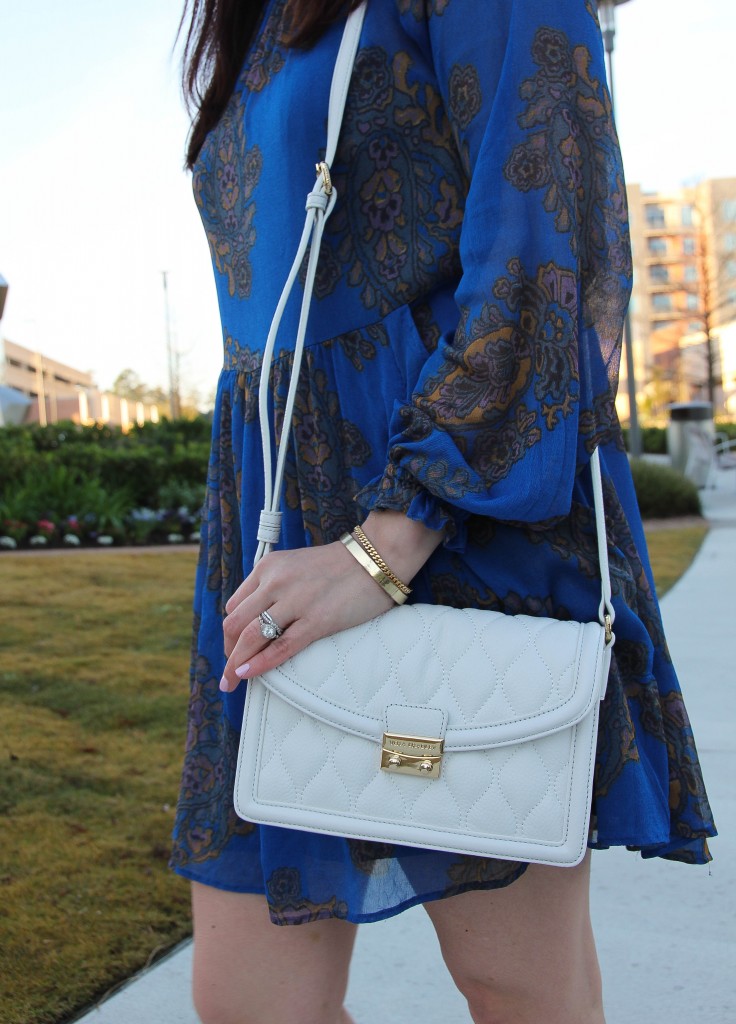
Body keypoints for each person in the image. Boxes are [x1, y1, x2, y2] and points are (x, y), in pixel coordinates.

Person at [170, 1, 716, 1021]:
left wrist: (387, 541)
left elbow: (543, 242)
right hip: (281, 523)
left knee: (519, 988)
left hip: (450, 521)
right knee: (250, 1003)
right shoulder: (245, 25)